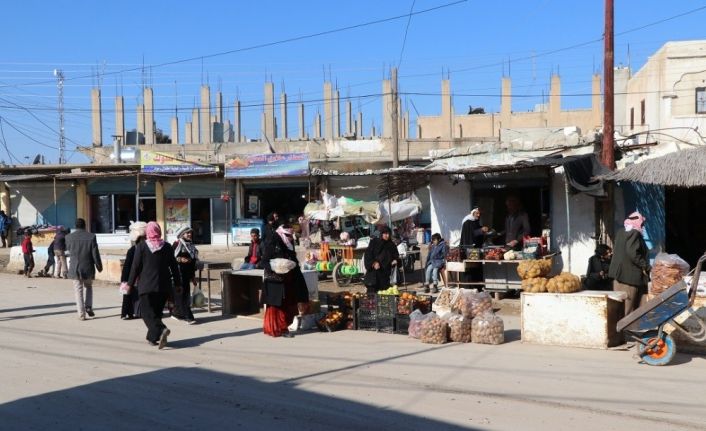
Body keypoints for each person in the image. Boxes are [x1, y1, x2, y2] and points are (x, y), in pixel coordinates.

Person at [128, 222, 181, 349]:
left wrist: (129, 284)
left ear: (147, 233)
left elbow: (135, 267)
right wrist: (178, 283)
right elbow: (174, 266)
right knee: (156, 313)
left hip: (146, 286)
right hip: (164, 287)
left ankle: (162, 329)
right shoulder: (167, 247)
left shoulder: (141, 247)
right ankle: (153, 338)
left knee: (147, 313)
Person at [261, 224, 309, 338]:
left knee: (289, 305)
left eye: (291, 235)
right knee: (277, 307)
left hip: (289, 281)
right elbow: (264, 262)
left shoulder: (289, 244)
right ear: (281, 234)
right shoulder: (272, 244)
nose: (290, 238)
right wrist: (276, 267)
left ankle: (284, 327)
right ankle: (279, 329)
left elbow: (293, 260)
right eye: (287, 235)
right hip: (276, 281)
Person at [609, 212, 651, 315]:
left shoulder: (621, 232)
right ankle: (627, 331)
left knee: (620, 310)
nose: (643, 226)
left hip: (619, 277)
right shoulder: (634, 233)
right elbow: (632, 253)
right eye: (642, 223)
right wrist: (646, 266)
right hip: (629, 278)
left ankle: (623, 330)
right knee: (628, 311)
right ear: (638, 223)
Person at [66, 218, 103, 320]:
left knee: (78, 290)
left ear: (75, 226)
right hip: (88, 267)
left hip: (75, 268)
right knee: (89, 287)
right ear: (85, 226)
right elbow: (95, 253)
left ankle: (81, 314)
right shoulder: (91, 237)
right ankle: (89, 306)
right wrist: (99, 266)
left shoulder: (68, 237)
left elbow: (68, 250)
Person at [119, 221, 146, 320]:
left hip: (142, 276)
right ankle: (127, 313)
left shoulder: (144, 249)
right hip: (132, 275)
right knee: (129, 294)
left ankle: (139, 312)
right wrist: (124, 279)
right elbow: (127, 266)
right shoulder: (132, 250)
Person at [172, 226, 199, 324]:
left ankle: (176, 313)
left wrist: (193, 277)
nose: (189, 234)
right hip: (178, 274)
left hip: (187, 274)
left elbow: (192, 263)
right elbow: (170, 258)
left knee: (184, 295)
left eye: (190, 233)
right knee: (182, 295)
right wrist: (180, 259)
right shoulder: (177, 244)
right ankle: (188, 317)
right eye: (187, 233)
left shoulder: (191, 246)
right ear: (182, 234)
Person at [363, 226, 399, 294]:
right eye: (385, 233)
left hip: (385, 274)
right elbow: (368, 254)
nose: (387, 235)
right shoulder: (374, 242)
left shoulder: (392, 245)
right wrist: (374, 263)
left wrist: (395, 260)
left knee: (384, 294)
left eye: (388, 234)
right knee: (372, 296)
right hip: (374, 274)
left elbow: (396, 255)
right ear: (381, 234)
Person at [460, 207, 489, 282]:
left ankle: (478, 286)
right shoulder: (467, 222)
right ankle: (470, 286)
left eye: (480, 214)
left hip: (476, 249)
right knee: (471, 268)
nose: (479, 215)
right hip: (469, 249)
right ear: (473, 213)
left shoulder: (475, 222)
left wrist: (484, 231)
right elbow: (471, 234)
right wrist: (481, 230)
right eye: (477, 213)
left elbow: (477, 232)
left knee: (477, 267)